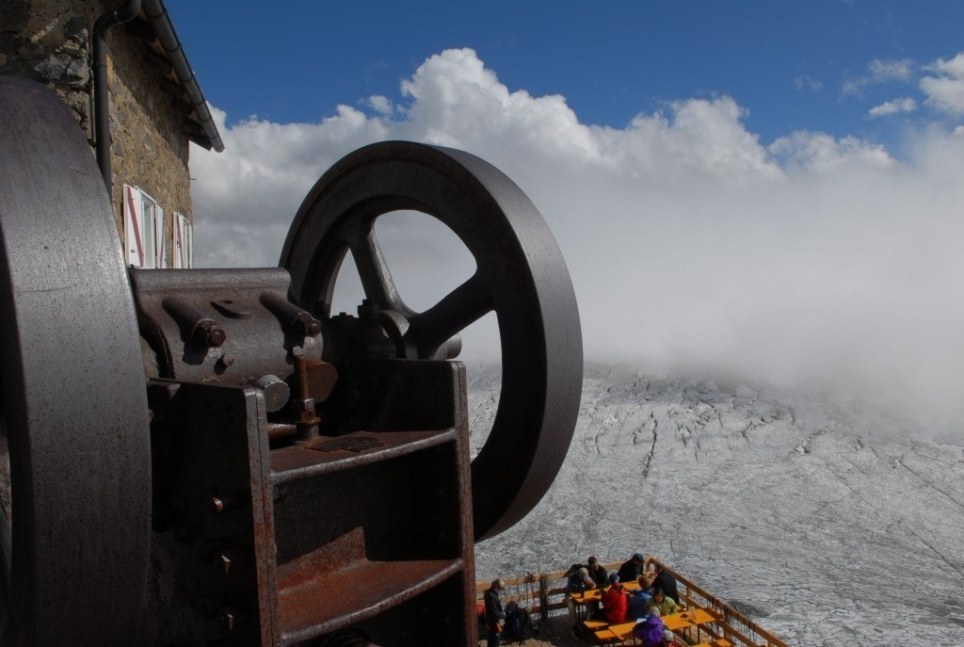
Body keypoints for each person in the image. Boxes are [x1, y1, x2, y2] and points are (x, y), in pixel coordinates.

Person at [484, 578, 506, 647]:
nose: (500, 591)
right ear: (496, 587)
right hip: (494, 623)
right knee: (495, 641)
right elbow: (495, 613)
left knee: (492, 640)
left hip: (492, 621)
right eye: (500, 589)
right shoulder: (492, 596)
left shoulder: (489, 593)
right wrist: (503, 615)